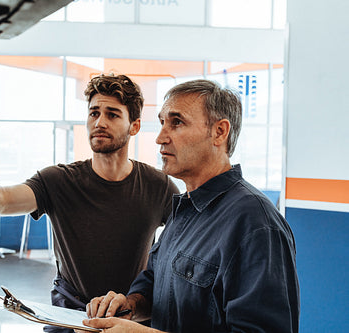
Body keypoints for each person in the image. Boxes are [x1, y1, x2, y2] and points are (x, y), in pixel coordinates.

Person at [0, 74, 179, 332]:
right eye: (93, 113)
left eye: (112, 115)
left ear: (134, 126)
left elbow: (187, 245)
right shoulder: (58, 180)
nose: (99, 122)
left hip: (129, 320)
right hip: (68, 317)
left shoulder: (159, 186)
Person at [82, 79, 300, 333]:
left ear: (219, 132)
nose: (161, 138)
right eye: (162, 122)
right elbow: (154, 281)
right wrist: (130, 305)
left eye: (177, 122)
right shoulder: (186, 208)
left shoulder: (256, 224)